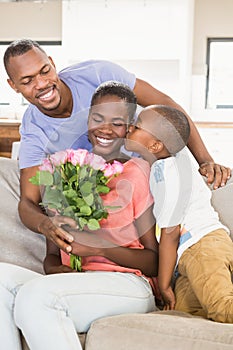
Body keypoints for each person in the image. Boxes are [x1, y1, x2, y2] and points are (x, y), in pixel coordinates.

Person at [3, 39, 231, 254]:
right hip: (124, 199)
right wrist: (46, 224)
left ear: (52, 63)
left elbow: (168, 107)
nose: (42, 83)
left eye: (44, 71)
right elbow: (28, 202)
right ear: (13, 86)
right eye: (27, 80)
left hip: (160, 175)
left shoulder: (97, 74)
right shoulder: (34, 130)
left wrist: (205, 160)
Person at [0, 82, 159, 350]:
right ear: (87, 119)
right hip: (75, 283)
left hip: (128, 284)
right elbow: (51, 257)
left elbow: (153, 262)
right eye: (98, 118)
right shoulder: (64, 170)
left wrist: (102, 247)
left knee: (37, 297)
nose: (105, 129)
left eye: (117, 122)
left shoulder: (138, 173)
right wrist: (56, 269)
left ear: (129, 128)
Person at [125, 104, 233, 323]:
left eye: (136, 127)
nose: (129, 128)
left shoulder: (169, 174)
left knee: (222, 307)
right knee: (183, 315)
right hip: (188, 258)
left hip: (202, 246)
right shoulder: (167, 162)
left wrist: (164, 283)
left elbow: (171, 233)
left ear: (155, 145)